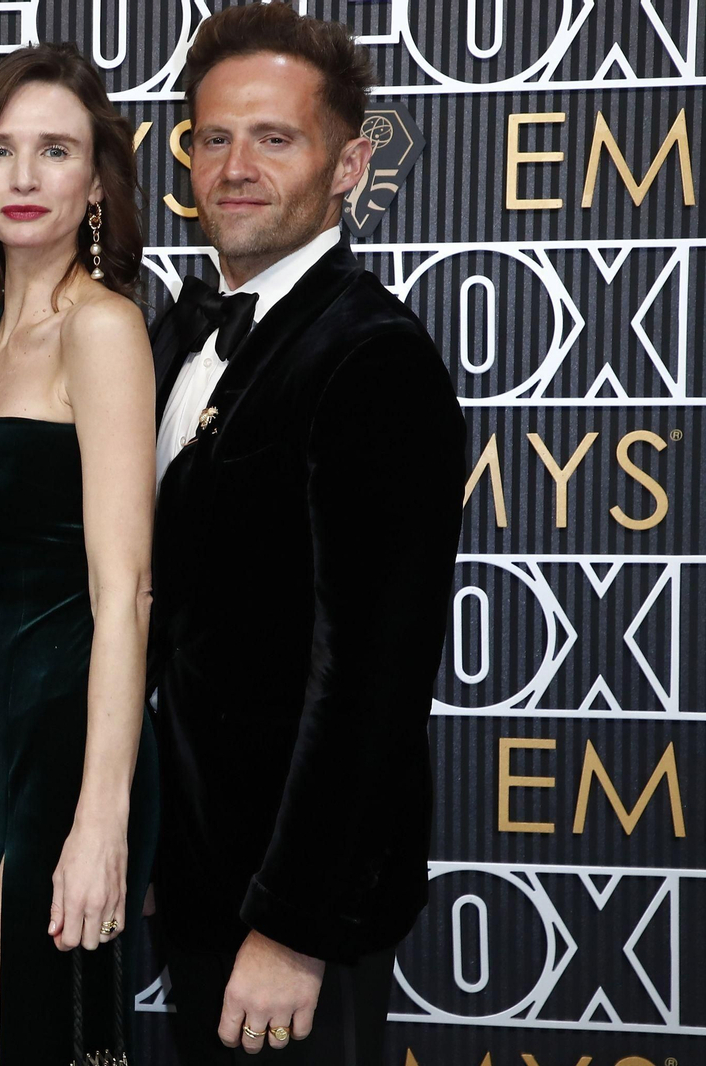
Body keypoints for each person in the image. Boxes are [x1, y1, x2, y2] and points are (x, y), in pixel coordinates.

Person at [147, 6, 466, 1063]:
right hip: (190, 887)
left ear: (349, 163)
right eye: (213, 138)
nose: (236, 166)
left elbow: (371, 681)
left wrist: (291, 925)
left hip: (285, 920)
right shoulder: (170, 336)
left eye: (275, 138)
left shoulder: (372, 357)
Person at [0, 43, 160, 1066]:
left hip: (59, 756)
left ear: (95, 184)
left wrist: (99, 821)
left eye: (54, 150)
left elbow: (128, 592)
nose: (22, 177)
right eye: (1, 149)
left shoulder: (100, 330)